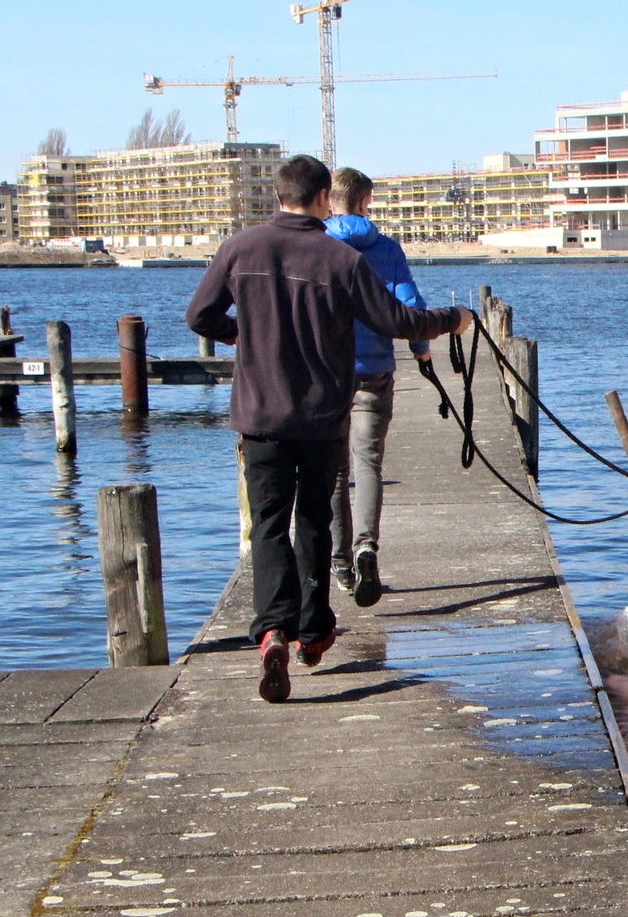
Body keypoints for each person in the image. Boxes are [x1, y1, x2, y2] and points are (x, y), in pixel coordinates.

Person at [186, 154, 467, 705]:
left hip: (259, 416)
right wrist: (454, 319)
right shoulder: (339, 260)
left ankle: (271, 632)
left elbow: (199, 316)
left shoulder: (239, 248)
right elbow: (399, 321)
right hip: (319, 415)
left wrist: (244, 335)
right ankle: (313, 632)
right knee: (313, 519)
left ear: (277, 197)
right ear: (322, 200)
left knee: (268, 524)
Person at [325, 166, 426, 607]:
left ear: (330, 200)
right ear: (365, 202)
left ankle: (340, 565)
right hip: (373, 371)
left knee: (334, 474)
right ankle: (367, 546)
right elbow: (411, 306)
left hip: (326, 376)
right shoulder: (385, 249)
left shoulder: (315, 246)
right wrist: (422, 349)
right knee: (368, 466)